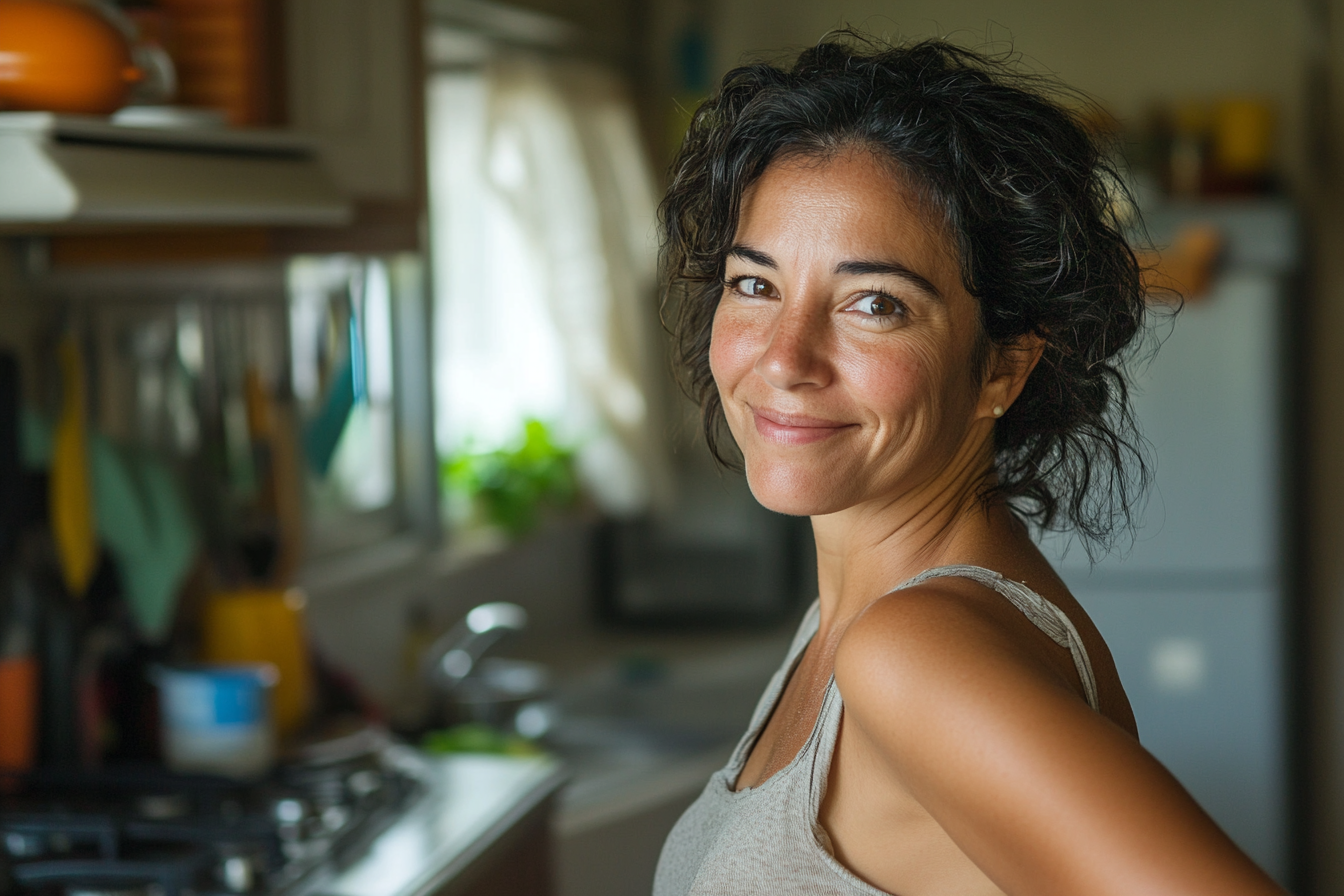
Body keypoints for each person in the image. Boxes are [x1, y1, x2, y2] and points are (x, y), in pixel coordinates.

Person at [652, 35, 1285, 896]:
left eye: (874, 304)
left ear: (1001, 368)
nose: (785, 359)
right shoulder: (858, 617)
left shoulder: (916, 652)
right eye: (754, 285)